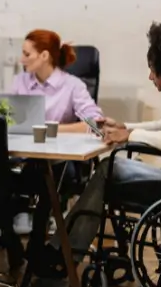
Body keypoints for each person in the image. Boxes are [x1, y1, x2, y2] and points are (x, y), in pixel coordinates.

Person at [37, 22, 161, 277]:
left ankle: (63, 251)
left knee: (108, 169)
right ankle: (64, 249)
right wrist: (123, 126)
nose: (150, 76)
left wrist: (127, 135)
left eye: (153, 69)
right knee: (109, 167)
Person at [9, 29, 104, 235]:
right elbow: (7, 118)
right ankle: (13, 248)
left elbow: (96, 124)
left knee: (48, 177)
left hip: (58, 162)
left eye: (27, 54)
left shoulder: (72, 86)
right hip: (22, 159)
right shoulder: (20, 82)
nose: (21, 59)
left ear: (44, 56)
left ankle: (37, 246)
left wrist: (53, 129)